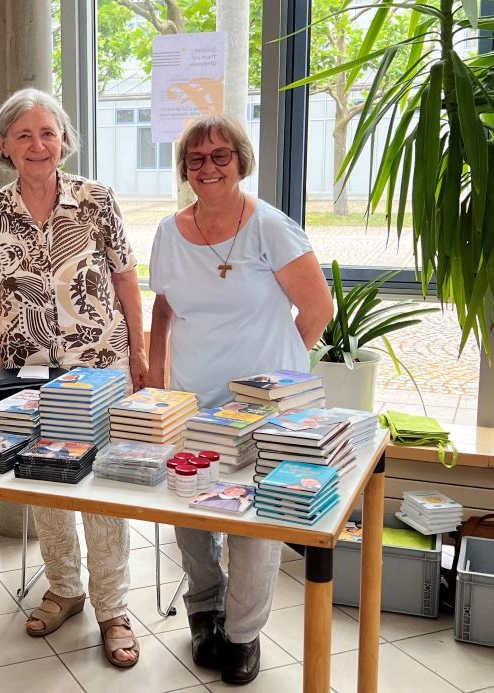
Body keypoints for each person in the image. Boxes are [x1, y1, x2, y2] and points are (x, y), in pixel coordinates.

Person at [0, 87, 147, 668]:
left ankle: (113, 607)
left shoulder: (97, 199)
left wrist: (140, 355)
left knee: (102, 488)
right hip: (27, 372)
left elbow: (125, 278)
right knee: (47, 480)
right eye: (24, 134)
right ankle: (65, 587)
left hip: (99, 365)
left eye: (49, 133)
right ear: (3, 146)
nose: (39, 145)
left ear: (65, 140)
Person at [145, 113, 333, 685]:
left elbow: (317, 310)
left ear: (241, 161)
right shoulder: (169, 231)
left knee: (257, 519)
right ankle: (204, 610)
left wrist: (278, 379)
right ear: (184, 169)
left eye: (221, 155)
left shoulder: (270, 227)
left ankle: (244, 633)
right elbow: (164, 307)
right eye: (196, 159)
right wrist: (156, 378)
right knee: (192, 509)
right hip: (196, 402)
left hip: (269, 413)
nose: (209, 168)